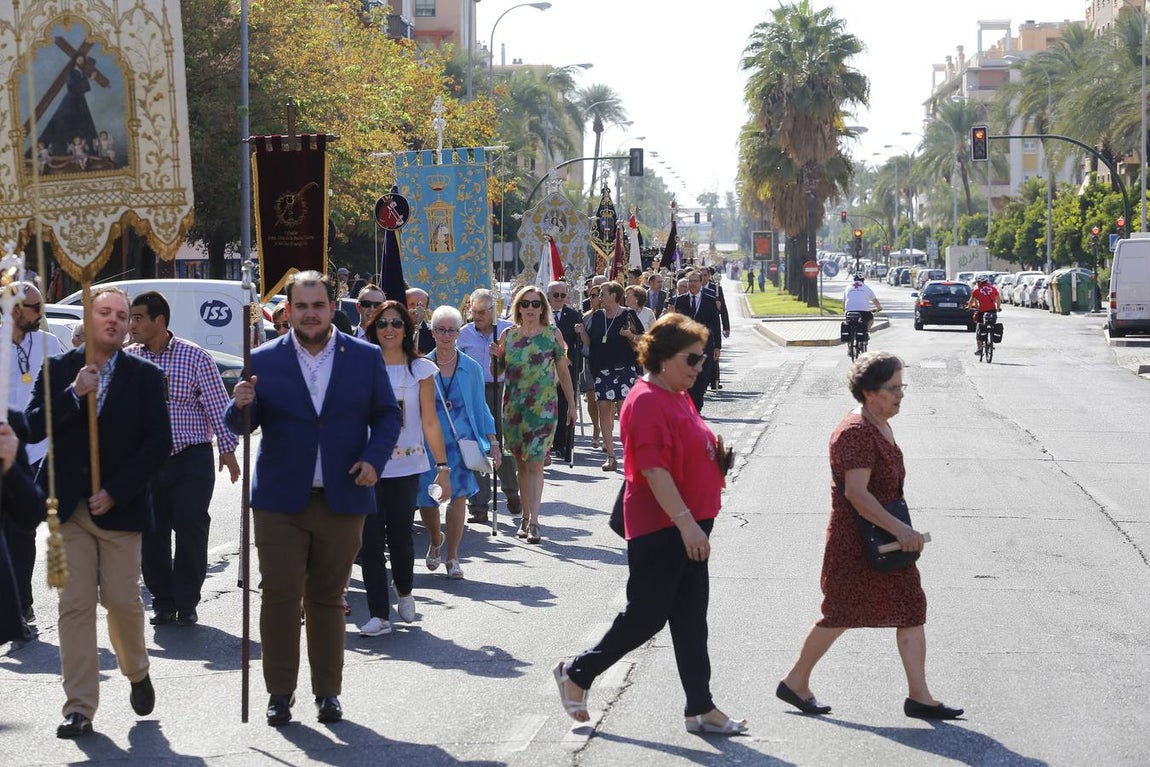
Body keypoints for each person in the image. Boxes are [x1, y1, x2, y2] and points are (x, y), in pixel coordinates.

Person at [554, 313, 746, 734]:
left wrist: (714, 457)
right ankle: (578, 674)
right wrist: (687, 525)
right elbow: (654, 471)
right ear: (661, 357)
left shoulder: (676, 393)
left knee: (691, 619)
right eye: (692, 359)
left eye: (701, 359)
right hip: (664, 528)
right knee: (646, 616)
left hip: (691, 523)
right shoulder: (643, 401)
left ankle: (701, 707)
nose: (700, 367)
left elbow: (683, 447)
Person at [224, 270, 401, 727]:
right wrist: (239, 402)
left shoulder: (363, 357)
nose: (309, 314)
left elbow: (386, 415)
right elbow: (241, 425)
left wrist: (374, 459)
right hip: (281, 501)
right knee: (280, 596)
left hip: (343, 495)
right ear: (288, 312)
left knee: (326, 598)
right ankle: (280, 694)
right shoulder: (262, 358)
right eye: (300, 307)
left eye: (317, 305)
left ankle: (328, 693)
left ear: (331, 307)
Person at [777, 352, 962, 721]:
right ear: (868, 391)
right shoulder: (856, 433)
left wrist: (900, 532)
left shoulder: (879, 424)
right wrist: (902, 530)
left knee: (911, 607)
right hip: (858, 543)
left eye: (901, 386)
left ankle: (919, 696)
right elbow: (857, 494)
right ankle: (796, 681)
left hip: (885, 540)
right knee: (839, 613)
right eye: (893, 388)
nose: (901, 395)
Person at [25, 286, 173, 739]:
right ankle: (79, 707)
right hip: (68, 511)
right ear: (88, 320)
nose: (113, 320)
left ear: (129, 324)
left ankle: (137, 669)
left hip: (119, 511)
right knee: (74, 606)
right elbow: (33, 424)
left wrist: (115, 490)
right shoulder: (60, 370)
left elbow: (157, 445)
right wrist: (73, 394)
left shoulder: (145, 377)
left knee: (123, 603)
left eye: (122, 315)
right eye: (104, 312)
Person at [126, 291, 240, 628]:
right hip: (148, 461)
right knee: (153, 531)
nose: (131, 325)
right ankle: (163, 601)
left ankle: (187, 600)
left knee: (191, 525)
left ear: (159, 321)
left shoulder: (195, 357)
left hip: (191, 457)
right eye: (130, 318)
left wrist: (228, 450)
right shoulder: (129, 359)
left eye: (138, 318)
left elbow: (219, 406)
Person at [357, 301, 451, 637]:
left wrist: (443, 468)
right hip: (369, 466)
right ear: (374, 329)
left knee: (399, 536)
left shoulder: (420, 369)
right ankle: (379, 615)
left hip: (407, 465)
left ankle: (406, 591)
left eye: (396, 323)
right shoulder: (363, 365)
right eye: (382, 324)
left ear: (406, 329)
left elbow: (429, 420)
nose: (390, 329)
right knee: (369, 541)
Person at [415, 306, 500, 580]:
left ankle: (452, 556)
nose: (447, 335)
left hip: (463, 443)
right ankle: (435, 538)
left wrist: (493, 442)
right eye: (441, 329)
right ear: (432, 332)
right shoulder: (421, 367)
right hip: (429, 445)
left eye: (452, 330)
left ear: (458, 332)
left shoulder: (471, 368)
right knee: (428, 500)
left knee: (459, 498)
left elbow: (481, 407)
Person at [496, 286, 577, 544]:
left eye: (535, 304)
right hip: (514, 407)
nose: (530, 309)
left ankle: (534, 521)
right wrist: (492, 357)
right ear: (518, 307)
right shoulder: (507, 335)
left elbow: (563, 373)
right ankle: (525, 516)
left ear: (543, 308)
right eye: (525, 304)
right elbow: (498, 371)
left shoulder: (553, 335)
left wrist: (572, 405)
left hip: (542, 408)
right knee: (521, 463)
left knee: (536, 462)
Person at [6, 282, 64, 629]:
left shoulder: (47, 343)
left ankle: (22, 606)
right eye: (35, 308)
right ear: (14, 310)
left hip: (34, 453)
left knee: (22, 532)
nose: (41, 314)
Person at [457, 288, 521, 521]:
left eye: (483, 312)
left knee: (501, 440)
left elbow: (519, 363)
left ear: (493, 311)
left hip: (503, 389)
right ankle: (479, 505)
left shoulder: (507, 330)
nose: (478, 316)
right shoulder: (463, 334)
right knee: (477, 442)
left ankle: (511, 490)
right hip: (474, 390)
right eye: (474, 311)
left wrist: (501, 355)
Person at [577, 281, 641, 472]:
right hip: (602, 370)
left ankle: (630, 454)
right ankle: (611, 457)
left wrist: (629, 335)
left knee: (624, 413)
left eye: (603, 293)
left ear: (614, 295)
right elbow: (590, 342)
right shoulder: (596, 317)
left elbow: (643, 340)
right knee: (604, 411)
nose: (599, 297)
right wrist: (581, 334)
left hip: (624, 370)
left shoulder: (628, 315)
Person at [1, 411, 46, 646]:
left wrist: (10, 466)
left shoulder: (8, 423)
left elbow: (30, 515)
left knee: (19, 541)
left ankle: (21, 606)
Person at [671, 271, 721, 412]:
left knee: (702, 377)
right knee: (687, 377)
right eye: (690, 281)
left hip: (705, 346)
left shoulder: (710, 300)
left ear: (701, 282)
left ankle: (697, 405)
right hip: (685, 348)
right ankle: (690, 407)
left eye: (695, 281)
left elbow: (716, 324)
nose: (692, 284)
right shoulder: (680, 300)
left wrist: (717, 346)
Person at [546, 281, 583, 464]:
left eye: (563, 295)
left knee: (565, 404)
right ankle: (548, 442)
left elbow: (579, 345)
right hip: (545, 369)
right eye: (556, 295)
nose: (559, 299)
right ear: (549, 296)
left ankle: (562, 444)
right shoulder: (542, 314)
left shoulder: (574, 315)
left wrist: (580, 333)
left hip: (566, 368)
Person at [967, 274, 1002, 356]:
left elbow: (971, 301)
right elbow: (998, 299)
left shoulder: (976, 290)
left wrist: (968, 308)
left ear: (979, 282)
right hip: (992, 311)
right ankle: (991, 341)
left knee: (979, 328)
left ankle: (979, 348)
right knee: (992, 325)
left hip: (982, 311)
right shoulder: (993, 289)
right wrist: (998, 308)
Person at [406, 288, 436, 355]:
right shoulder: (395, 331)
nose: (416, 309)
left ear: (426, 308)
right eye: (411, 304)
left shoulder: (432, 336)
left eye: (421, 306)